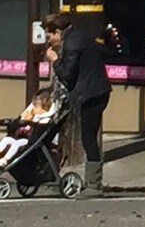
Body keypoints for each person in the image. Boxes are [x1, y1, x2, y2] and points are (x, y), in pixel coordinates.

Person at [44, 10, 111, 193]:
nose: (48, 39)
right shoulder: (79, 36)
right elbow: (102, 51)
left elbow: (67, 75)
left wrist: (55, 60)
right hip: (96, 91)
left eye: (49, 34)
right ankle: (93, 182)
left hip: (92, 94)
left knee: (88, 138)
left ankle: (94, 185)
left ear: (57, 31)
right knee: (88, 137)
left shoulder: (72, 43)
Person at [0, 87, 56, 168]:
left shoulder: (43, 120)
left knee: (15, 144)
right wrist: (23, 120)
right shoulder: (29, 115)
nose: (33, 109)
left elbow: (36, 134)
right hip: (18, 137)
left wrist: (30, 121)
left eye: (36, 107)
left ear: (45, 109)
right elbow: (16, 125)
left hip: (28, 141)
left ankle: (5, 160)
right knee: (6, 139)